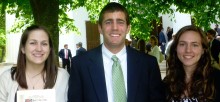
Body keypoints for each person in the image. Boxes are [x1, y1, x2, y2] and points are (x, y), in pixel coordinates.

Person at [68, 2, 165, 102]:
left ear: (128, 28)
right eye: (108, 22)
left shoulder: (148, 64)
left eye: (120, 22)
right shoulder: (80, 65)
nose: (115, 28)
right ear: (100, 28)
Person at [0, 25, 69, 102]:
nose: (39, 49)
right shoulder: (7, 78)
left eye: (44, 44)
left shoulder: (63, 76)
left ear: (50, 49)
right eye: (33, 43)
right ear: (23, 48)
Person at [163, 25, 220, 101]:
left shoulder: (217, 80)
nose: (188, 50)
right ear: (176, 48)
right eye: (182, 44)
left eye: (194, 45)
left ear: (203, 50)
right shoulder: (167, 83)